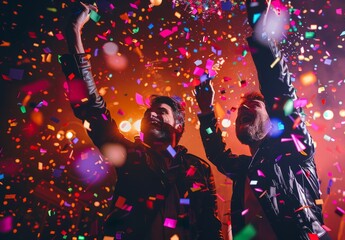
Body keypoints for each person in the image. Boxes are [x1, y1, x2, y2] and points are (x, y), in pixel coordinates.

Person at [60, 3, 223, 239]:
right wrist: (73, 31)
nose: (151, 114)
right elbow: (92, 108)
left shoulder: (198, 169)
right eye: (149, 112)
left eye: (161, 111)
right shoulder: (130, 155)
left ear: (178, 125)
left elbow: (210, 226)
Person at [194, 0, 330, 239]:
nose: (243, 109)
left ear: (273, 118)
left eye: (254, 105)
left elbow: (281, 93)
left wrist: (262, 37)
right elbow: (216, 153)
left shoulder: (294, 153)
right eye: (240, 109)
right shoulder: (245, 168)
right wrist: (206, 112)